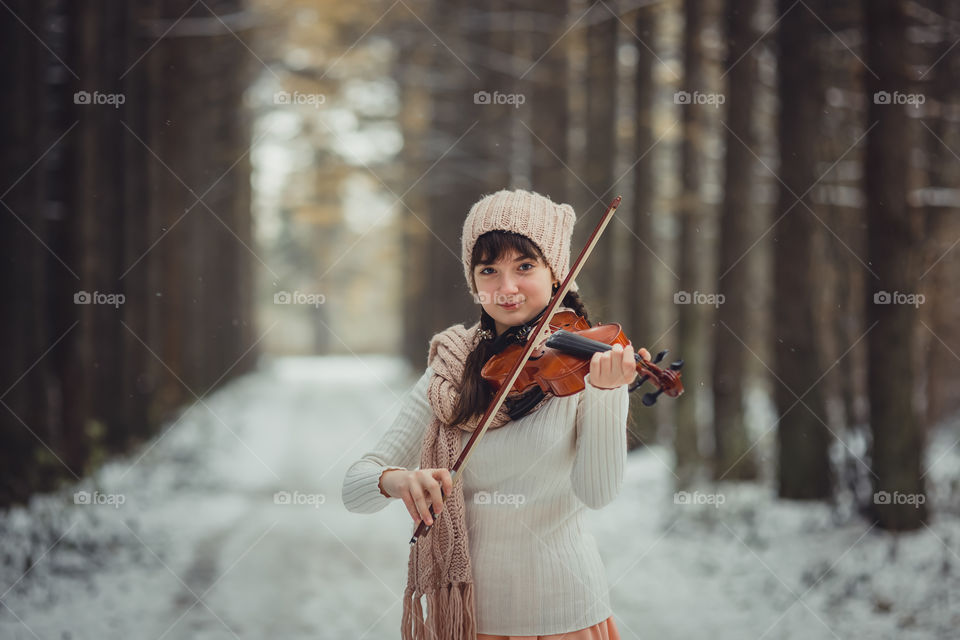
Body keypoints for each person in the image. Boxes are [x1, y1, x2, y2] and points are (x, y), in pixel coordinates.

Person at [341, 188, 649, 640]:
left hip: (565, 613)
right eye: (489, 270)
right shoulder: (449, 370)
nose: (506, 288)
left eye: (525, 266)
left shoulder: (589, 369)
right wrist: (399, 480)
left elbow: (597, 493)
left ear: (557, 271)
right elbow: (355, 487)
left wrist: (605, 395)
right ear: (474, 280)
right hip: (470, 620)